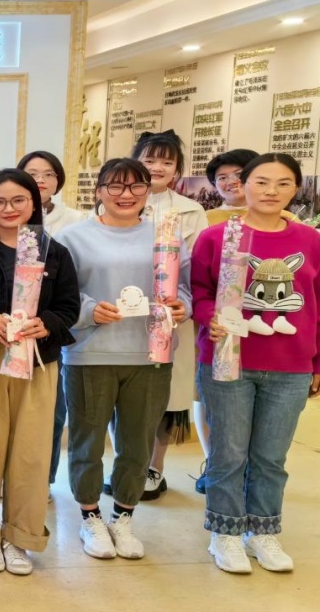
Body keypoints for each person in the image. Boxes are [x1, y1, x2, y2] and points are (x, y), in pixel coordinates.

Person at [193, 153, 320, 574]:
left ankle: (263, 530)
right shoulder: (217, 237)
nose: (271, 191)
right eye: (261, 181)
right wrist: (210, 318)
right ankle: (225, 532)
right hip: (228, 362)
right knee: (228, 454)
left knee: (271, 457)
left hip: (291, 367)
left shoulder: (310, 241)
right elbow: (199, 292)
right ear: (244, 185)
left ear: (296, 189)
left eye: (283, 183)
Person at [57, 158, 191, 561]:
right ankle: (90, 516)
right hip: (90, 353)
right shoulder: (72, 238)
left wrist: (181, 306)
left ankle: (124, 516)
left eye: (136, 186)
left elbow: (184, 288)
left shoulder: (165, 235)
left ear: (148, 191)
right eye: (115, 186)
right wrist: (89, 310)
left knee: (138, 442)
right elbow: (60, 295)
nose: (125, 195)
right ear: (98, 191)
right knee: (87, 441)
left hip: (151, 353)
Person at [0, 168, 80, 575]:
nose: (9, 208)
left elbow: (69, 307)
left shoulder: (54, 251)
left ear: (34, 203)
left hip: (37, 361)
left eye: (18, 200)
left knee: (31, 451)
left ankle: (21, 537)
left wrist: (47, 324)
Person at [126, 130, 207, 499]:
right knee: (124, 393)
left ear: (177, 169)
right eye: (149, 159)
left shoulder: (191, 211)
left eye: (166, 161)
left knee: (167, 396)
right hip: (125, 315)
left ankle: (154, 468)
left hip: (173, 318)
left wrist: (184, 306)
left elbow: (198, 269)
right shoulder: (117, 202)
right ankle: (127, 463)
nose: (157, 167)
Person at [17, 151, 86, 492]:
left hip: (52, 328)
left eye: (48, 174)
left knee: (51, 411)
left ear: (58, 180)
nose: (40, 180)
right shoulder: (6, 217)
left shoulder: (75, 221)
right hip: (9, 329)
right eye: (32, 173)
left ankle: (43, 478)